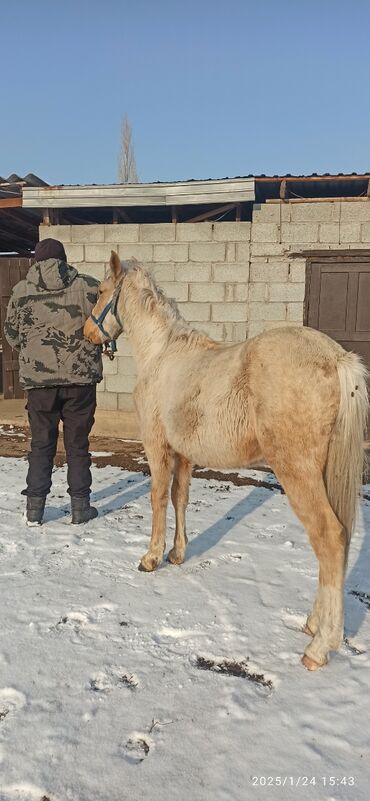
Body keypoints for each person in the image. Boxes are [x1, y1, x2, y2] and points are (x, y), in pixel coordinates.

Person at [4, 238, 103, 526]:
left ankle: (35, 510)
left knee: (41, 444)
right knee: (77, 445)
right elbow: (105, 326)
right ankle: (80, 508)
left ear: (35, 261)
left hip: (39, 383)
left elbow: (11, 336)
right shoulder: (89, 286)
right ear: (64, 260)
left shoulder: (21, 291)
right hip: (81, 381)